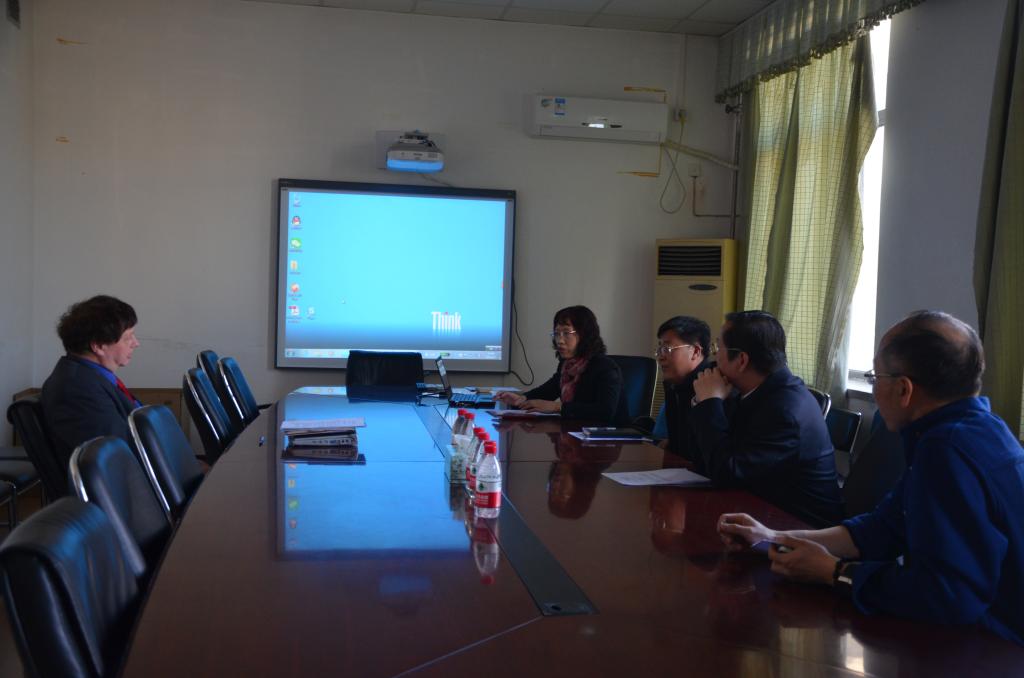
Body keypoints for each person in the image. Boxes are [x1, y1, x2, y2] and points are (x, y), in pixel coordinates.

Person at [717, 311, 1024, 645]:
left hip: (998, 647)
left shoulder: (947, 450)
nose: (874, 388)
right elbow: (883, 528)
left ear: (904, 389)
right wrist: (772, 536)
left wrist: (834, 572)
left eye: (875, 377)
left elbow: (949, 595)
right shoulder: (974, 429)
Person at [690, 310, 843, 527]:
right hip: (760, 514)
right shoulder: (754, 391)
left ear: (741, 360)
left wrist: (709, 403)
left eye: (718, 349)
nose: (714, 359)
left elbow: (726, 473)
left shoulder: (784, 410)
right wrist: (707, 402)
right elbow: (706, 461)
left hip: (800, 530)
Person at [40, 295, 142, 470]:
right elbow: (119, 454)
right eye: (128, 338)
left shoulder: (90, 376)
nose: (136, 343)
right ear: (99, 346)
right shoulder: (77, 388)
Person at [495, 305, 627, 423]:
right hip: (575, 432)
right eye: (557, 334)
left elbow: (605, 412)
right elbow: (550, 389)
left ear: (585, 335)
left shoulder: (605, 367)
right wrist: (522, 398)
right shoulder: (567, 365)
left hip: (609, 438)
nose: (560, 340)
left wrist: (557, 407)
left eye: (566, 333)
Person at [655, 315, 711, 468]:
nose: (660, 357)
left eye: (667, 349)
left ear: (696, 351)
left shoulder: (711, 387)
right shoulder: (675, 385)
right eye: (660, 349)